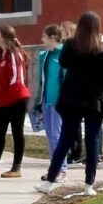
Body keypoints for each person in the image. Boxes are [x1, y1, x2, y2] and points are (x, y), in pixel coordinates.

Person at [42, 11, 103, 193]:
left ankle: (49, 181)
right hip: (94, 100)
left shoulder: (71, 45)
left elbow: (64, 63)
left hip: (72, 98)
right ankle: (89, 184)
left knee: (65, 139)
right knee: (92, 141)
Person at [0, 25, 32, 176]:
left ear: (4, 37)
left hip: (16, 100)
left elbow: (16, 79)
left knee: (17, 132)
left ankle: (16, 168)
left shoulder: (13, 54)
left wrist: (7, 97)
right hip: (3, 101)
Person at [34, 24, 66, 157]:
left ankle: (61, 169)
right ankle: (54, 166)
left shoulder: (64, 54)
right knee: (50, 135)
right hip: (46, 101)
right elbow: (41, 81)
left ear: (52, 38)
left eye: (44, 36)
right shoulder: (45, 55)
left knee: (56, 136)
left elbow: (66, 78)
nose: (42, 39)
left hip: (58, 101)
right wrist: (39, 102)